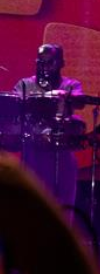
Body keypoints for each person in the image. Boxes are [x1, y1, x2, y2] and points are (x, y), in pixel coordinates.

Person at [11, 43, 84, 210]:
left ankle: (61, 235)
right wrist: (43, 97)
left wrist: (62, 95)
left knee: (64, 203)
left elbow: (80, 102)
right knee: (30, 202)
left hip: (62, 151)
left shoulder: (71, 84)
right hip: (33, 150)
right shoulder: (24, 84)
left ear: (61, 63)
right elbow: (15, 107)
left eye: (50, 62)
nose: (45, 66)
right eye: (41, 62)